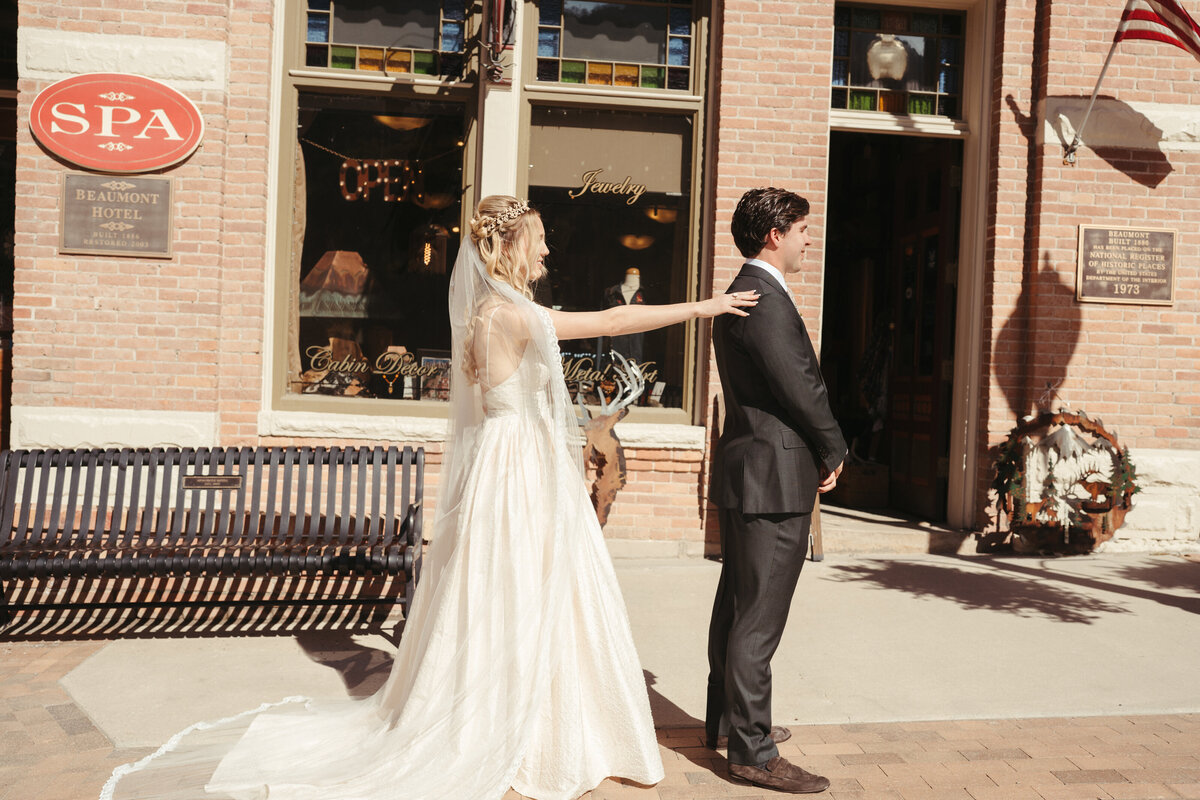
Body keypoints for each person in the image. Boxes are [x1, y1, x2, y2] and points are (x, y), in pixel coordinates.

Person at [101, 195, 757, 800]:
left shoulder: (485, 313)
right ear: (509, 249)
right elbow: (615, 318)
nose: (548, 252)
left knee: (512, 593)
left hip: (506, 464)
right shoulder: (513, 313)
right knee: (535, 589)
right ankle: (535, 734)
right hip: (523, 468)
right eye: (539, 241)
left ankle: (543, 721)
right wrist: (705, 309)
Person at [706, 187, 848, 794]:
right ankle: (753, 754)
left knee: (738, 610)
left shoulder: (747, 293)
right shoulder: (762, 299)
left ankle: (728, 725)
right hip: (773, 477)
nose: (808, 239)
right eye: (803, 230)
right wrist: (834, 447)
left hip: (751, 472)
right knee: (757, 620)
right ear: (776, 234)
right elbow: (801, 386)